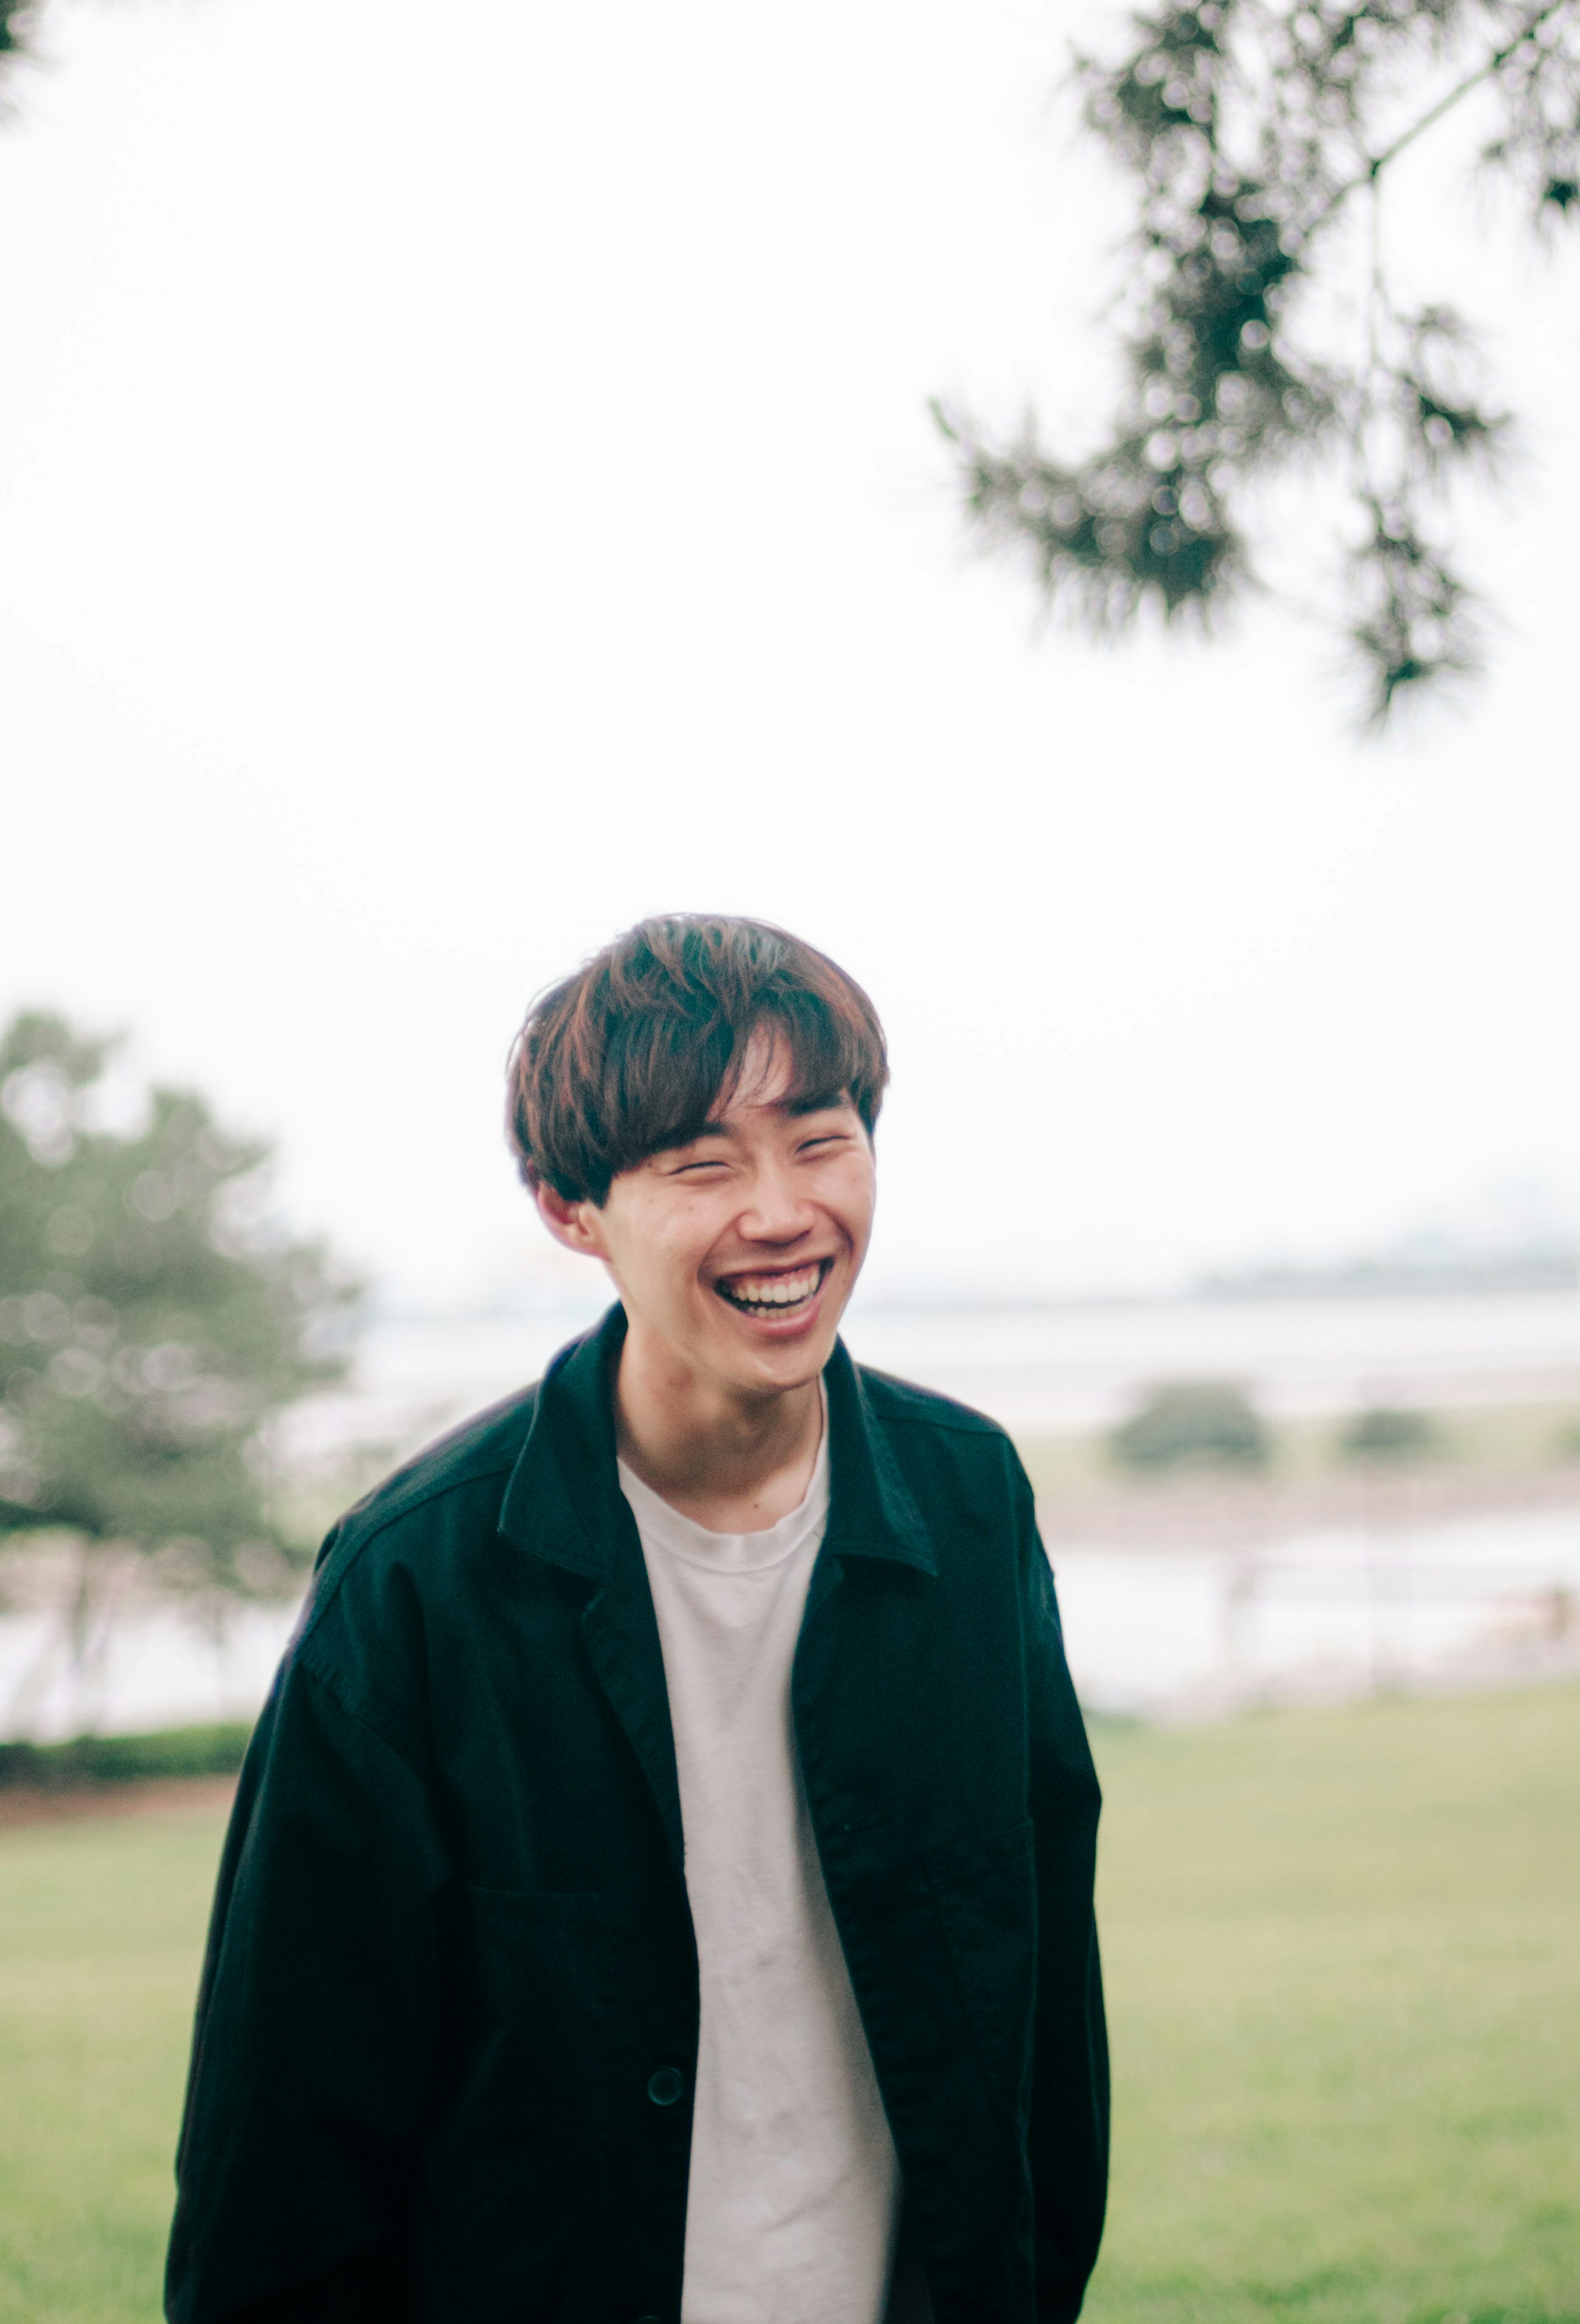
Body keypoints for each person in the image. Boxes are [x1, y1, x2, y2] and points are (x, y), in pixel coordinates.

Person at [165, 915, 1107, 2324]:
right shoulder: (418, 1584)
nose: (781, 1210)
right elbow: (282, 2150)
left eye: (819, 1137)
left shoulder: (969, 1506)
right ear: (570, 1208)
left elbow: (1047, 2017)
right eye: (701, 1164)